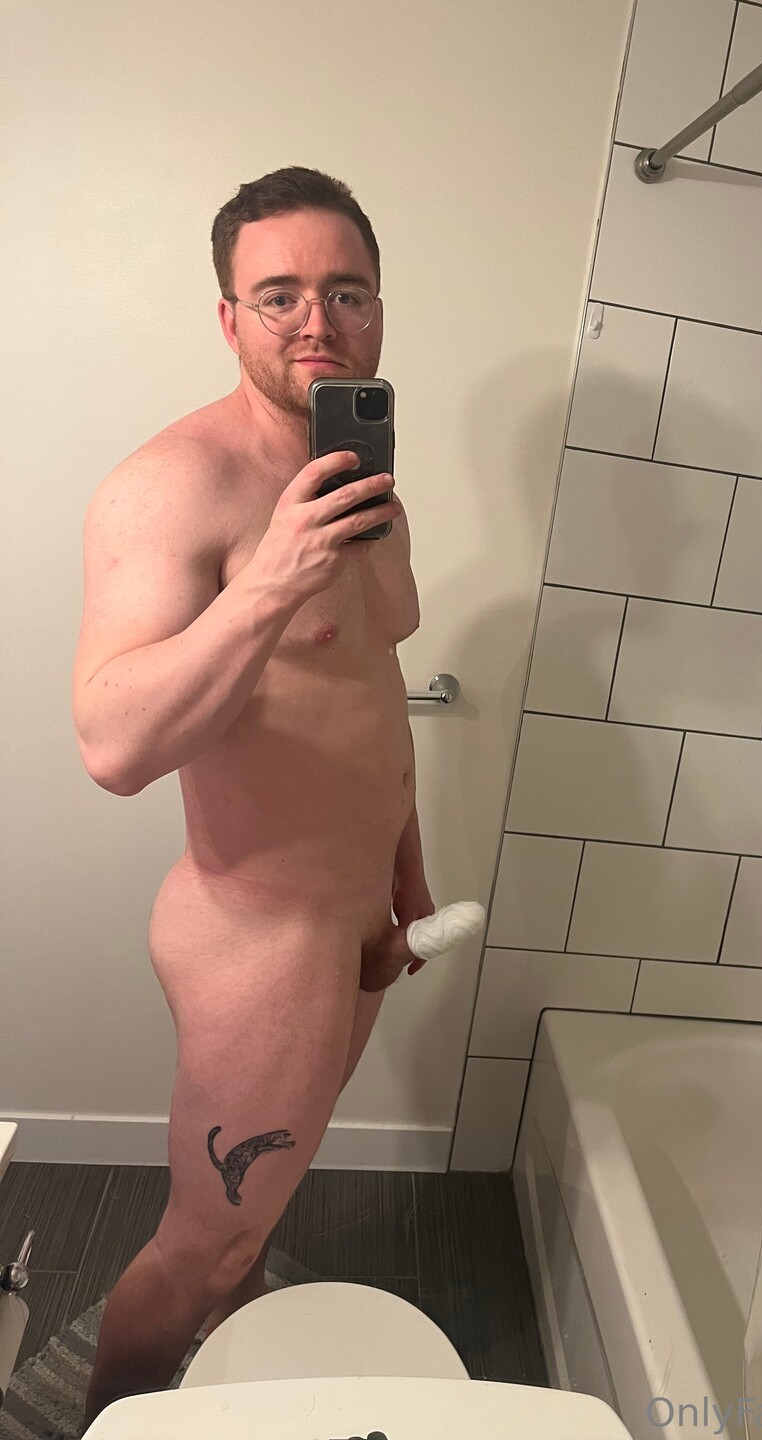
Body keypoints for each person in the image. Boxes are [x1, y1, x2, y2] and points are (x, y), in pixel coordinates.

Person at [71, 165, 435, 1430]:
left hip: (353, 916)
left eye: (347, 292)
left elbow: (370, 693)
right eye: (279, 295)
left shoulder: (362, 476)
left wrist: (407, 880)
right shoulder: (173, 486)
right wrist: (269, 581)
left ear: (378, 308)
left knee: (253, 1228)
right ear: (229, 318)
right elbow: (112, 742)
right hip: (260, 938)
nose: (316, 321)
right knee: (202, 1250)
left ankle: (222, 1390)